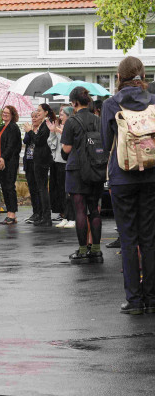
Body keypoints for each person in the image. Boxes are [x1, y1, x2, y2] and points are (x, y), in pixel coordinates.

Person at [101, 56, 155, 314]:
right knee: (150, 238)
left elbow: (105, 141)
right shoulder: (153, 101)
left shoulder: (111, 104)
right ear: (142, 75)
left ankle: (133, 301)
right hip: (152, 176)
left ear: (119, 77)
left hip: (122, 177)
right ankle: (152, 298)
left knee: (128, 238)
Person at [61, 87, 104, 265]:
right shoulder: (98, 119)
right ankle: (96, 250)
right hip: (96, 168)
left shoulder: (72, 122)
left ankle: (81, 250)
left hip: (77, 170)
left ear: (75, 103)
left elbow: (66, 149)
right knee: (94, 210)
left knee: (80, 210)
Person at [23, 104, 55, 227]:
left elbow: (38, 141)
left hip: (42, 159)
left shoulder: (46, 124)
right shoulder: (43, 124)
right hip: (38, 159)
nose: (38, 113)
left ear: (46, 112)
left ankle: (46, 217)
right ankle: (42, 215)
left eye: (40, 111)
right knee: (39, 188)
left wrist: (30, 131)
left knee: (42, 189)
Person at [0, 106, 22, 225]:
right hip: (1, 160)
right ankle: (10, 213)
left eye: (7, 113)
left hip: (9, 161)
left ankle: (12, 214)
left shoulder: (13, 127)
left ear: (12, 114)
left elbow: (11, 146)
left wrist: (3, 157)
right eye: (3, 112)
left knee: (9, 187)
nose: (5, 114)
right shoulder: (4, 127)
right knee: (5, 187)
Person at [48, 106, 76, 229]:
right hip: (58, 161)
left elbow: (71, 145)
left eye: (62, 113)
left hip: (69, 163)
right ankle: (65, 216)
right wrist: (53, 132)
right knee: (61, 191)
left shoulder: (71, 127)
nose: (60, 116)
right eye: (59, 113)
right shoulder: (60, 127)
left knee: (70, 192)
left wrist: (61, 132)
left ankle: (72, 217)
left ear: (69, 115)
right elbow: (52, 144)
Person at [22, 111, 40, 223]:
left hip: (37, 161)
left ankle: (40, 212)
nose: (33, 119)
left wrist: (31, 132)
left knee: (39, 188)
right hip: (28, 161)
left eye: (36, 117)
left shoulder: (42, 129)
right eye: (32, 117)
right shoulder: (30, 129)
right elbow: (25, 141)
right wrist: (28, 131)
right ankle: (35, 212)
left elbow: (38, 141)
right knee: (32, 188)